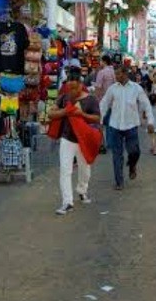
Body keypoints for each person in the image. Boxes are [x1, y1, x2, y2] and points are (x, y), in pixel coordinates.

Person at [49, 69, 101, 215]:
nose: (71, 91)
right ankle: (67, 202)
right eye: (69, 88)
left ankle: (82, 190)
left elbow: (97, 118)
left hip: (84, 139)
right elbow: (51, 113)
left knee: (85, 170)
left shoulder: (90, 99)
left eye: (74, 88)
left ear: (81, 85)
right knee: (65, 170)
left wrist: (81, 114)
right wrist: (66, 111)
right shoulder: (64, 98)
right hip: (67, 138)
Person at [99, 65, 151, 190]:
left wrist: (150, 121)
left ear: (125, 74)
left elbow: (146, 104)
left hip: (131, 125)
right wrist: (100, 120)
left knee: (134, 152)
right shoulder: (112, 89)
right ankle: (119, 181)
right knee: (117, 155)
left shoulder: (136, 88)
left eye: (118, 74)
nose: (115, 77)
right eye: (115, 74)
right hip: (115, 126)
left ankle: (132, 166)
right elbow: (104, 103)